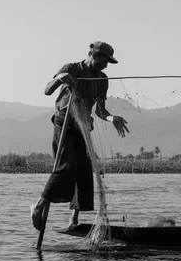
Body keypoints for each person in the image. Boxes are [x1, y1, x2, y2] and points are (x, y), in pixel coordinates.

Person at [31, 41, 129, 231]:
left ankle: (73, 219)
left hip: (83, 127)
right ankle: (39, 206)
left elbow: (100, 110)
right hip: (65, 123)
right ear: (93, 54)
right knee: (66, 166)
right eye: (104, 60)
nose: (106, 65)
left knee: (84, 170)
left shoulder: (102, 79)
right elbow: (47, 90)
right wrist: (60, 78)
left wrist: (112, 118)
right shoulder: (71, 69)